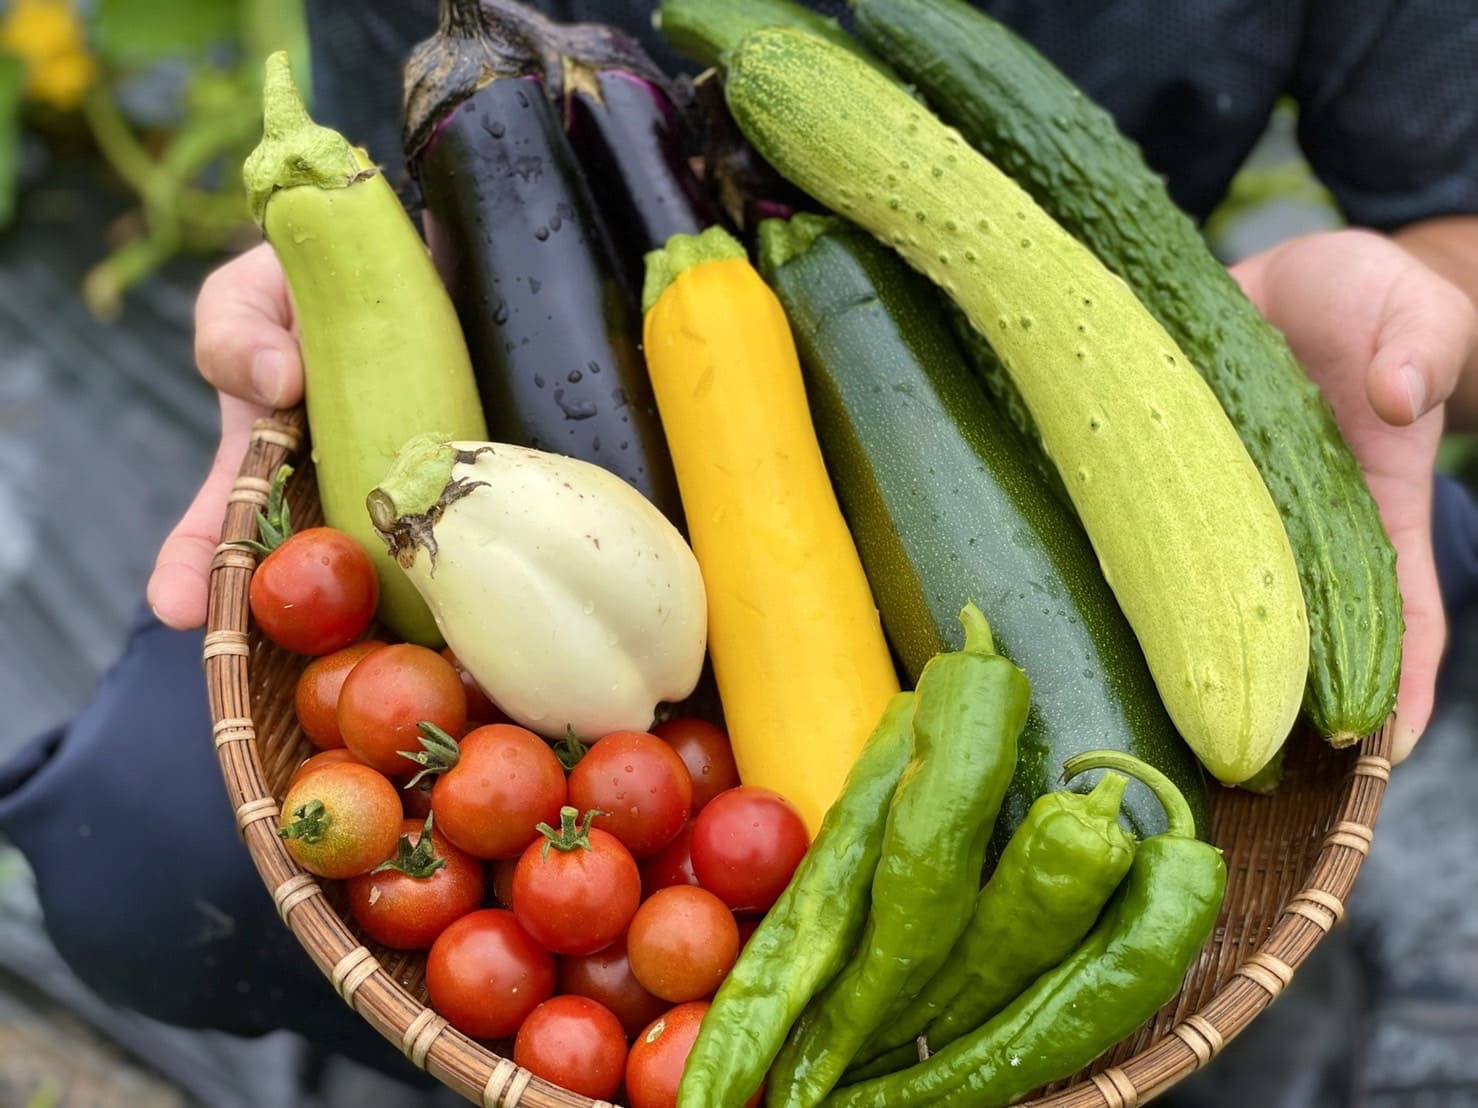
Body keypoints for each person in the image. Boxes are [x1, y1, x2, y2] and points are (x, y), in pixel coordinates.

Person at [3, 0, 1476, 1098]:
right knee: (134, 847)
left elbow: (1450, 220)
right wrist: (341, 284)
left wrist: (1361, 303)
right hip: (604, 429)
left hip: (1083, 394)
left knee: (1265, 811)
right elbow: (425, 193)